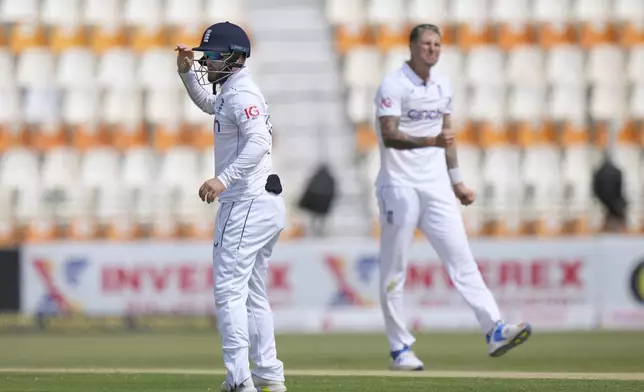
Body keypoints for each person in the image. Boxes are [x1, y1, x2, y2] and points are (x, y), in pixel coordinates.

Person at [373, 24, 532, 371]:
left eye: (436, 45)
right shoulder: (393, 84)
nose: (432, 50)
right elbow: (389, 136)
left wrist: (457, 181)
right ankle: (400, 349)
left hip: (436, 187)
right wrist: (430, 143)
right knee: (394, 270)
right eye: (426, 44)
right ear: (412, 47)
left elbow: (447, 135)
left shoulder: (444, 84)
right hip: (399, 186)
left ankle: (494, 329)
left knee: (462, 260)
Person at [176, 21, 287, 392]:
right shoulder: (232, 91)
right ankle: (269, 375)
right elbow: (211, 105)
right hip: (262, 203)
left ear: (234, 56)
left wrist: (222, 178)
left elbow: (259, 142)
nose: (205, 63)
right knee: (253, 293)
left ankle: (241, 380)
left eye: (211, 56)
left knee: (228, 292)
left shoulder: (242, 95)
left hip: (245, 204)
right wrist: (185, 76)